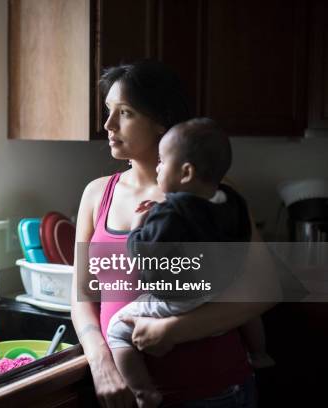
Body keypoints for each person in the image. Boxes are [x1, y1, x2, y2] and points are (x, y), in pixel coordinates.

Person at [70, 60, 278, 408]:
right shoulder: (96, 194)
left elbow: (265, 289)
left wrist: (174, 331)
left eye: (125, 113)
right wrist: (101, 362)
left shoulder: (214, 194)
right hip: (125, 397)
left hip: (215, 393)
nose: (108, 125)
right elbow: (82, 297)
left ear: (160, 121)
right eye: (108, 111)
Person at [105, 118, 274, 408]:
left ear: (185, 172)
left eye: (162, 162)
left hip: (181, 300)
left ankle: (144, 392)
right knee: (247, 311)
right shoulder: (230, 199)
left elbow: (144, 257)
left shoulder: (169, 211)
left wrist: (138, 225)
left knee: (116, 329)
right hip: (221, 289)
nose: (158, 168)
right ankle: (260, 353)